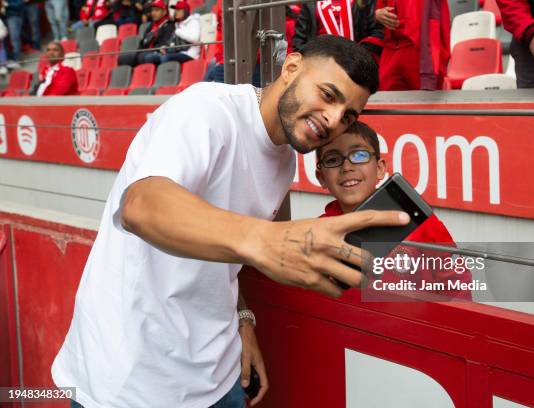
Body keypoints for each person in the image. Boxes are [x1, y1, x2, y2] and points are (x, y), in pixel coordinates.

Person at [52, 35, 409, 408]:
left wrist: (243, 318)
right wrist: (265, 239)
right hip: (131, 383)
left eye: (348, 115)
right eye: (328, 94)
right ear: (291, 68)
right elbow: (142, 205)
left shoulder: (285, 161)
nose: (334, 120)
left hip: (220, 377)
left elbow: (225, 251)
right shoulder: (205, 109)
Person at [315, 121, 472, 300]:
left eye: (359, 155)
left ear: (380, 168)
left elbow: (458, 285)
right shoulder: (319, 231)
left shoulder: (419, 221)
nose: (347, 167)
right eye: (332, 160)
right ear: (322, 178)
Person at [374, 0, 450, 90]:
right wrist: (377, 14)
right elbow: (380, 6)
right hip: (392, 47)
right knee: (386, 97)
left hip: (421, 48)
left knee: (425, 99)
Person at [292, 0, 384, 62]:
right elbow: (299, 38)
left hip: (357, 63)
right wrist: (312, 61)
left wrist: (361, 54)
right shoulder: (310, 3)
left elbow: (377, 31)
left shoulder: (364, 2)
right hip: (322, 63)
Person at [135, 0, 174, 65]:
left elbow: (164, 43)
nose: (153, 13)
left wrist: (148, 50)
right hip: (146, 52)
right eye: (152, 10)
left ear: (164, 12)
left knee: (143, 57)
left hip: (157, 52)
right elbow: (142, 42)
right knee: (125, 58)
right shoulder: (151, 25)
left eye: (156, 10)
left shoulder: (169, 25)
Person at [161, 0, 200, 64]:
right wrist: (166, 46)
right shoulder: (177, 24)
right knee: (159, 56)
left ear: (185, 11)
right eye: (175, 10)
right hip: (179, 52)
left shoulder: (193, 21)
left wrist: (178, 32)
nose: (176, 12)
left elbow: (195, 38)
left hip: (190, 54)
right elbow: (173, 41)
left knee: (166, 58)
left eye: (179, 10)